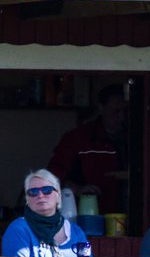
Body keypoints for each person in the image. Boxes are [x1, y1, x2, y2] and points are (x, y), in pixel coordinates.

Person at [47, 83, 129, 215]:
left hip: (133, 217)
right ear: (101, 108)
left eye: (127, 111)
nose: (122, 118)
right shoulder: (78, 138)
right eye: (116, 111)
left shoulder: (142, 138)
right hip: (88, 218)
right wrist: (77, 189)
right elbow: (53, 177)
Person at [1, 169, 91, 257]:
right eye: (33, 192)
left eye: (47, 190)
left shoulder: (76, 232)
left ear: (58, 195)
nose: (40, 195)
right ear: (27, 200)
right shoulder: (18, 229)